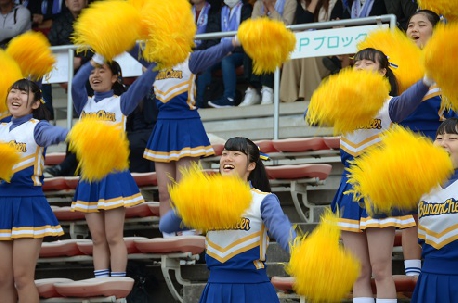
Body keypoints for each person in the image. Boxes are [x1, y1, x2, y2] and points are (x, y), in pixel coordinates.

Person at [330, 48, 434, 303]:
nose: (361, 67)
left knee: (380, 271)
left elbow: (410, 99)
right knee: (359, 272)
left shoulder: (389, 105)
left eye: (368, 63)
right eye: (357, 63)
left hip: (378, 189)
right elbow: (311, 115)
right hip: (349, 189)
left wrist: (427, 79)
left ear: (383, 71)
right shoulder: (342, 100)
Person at [160, 137, 296, 303]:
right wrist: (192, 203)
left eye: (236, 154)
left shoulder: (263, 200)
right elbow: (166, 225)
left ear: (251, 165)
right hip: (216, 290)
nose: (227, 158)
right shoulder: (209, 200)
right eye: (224, 154)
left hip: (253, 289)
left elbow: (283, 232)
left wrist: (303, 253)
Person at [136, 37, 241, 237]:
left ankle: (189, 239)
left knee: (186, 191)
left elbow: (215, 52)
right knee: (165, 191)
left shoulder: (190, 60)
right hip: (163, 127)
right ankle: (168, 238)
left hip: (186, 125)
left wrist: (235, 40)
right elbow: (132, 47)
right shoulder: (152, 63)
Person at [70, 54, 157, 278]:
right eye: (93, 71)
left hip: (113, 174)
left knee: (113, 236)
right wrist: (92, 60)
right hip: (89, 175)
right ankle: (102, 289)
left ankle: (118, 290)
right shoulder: (84, 103)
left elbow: (144, 82)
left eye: (102, 71)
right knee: (97, 238)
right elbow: (75, 83)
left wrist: (155, 63)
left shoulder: (122, 102)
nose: (95, 75)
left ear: (115, 77)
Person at [398, 9, 457, 278]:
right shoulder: (396, 68)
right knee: (411, 211)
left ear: (436, 30)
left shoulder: (447, 66)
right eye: (410, 25)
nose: (414, 29)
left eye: (421, 24)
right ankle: (413, 273)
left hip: (440, 147)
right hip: (406, 147)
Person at [0, 79, 67, 303]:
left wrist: (73, 134)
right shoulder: (0, 127)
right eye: (13, 92)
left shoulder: (38, 128)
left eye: (23, 93)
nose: (16, 96)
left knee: (22, 278)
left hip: (27, 204)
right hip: (1, 204)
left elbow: (53, 135)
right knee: (2, 279)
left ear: (36, 103)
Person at [411, 118, 458, 303]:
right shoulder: (422, 185)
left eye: (452, 138)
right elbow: (380, 211)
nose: (443, 143)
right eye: (439, 138)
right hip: (430, 279)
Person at [279, 0, 340, 103]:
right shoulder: (301, 4)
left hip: (328, 54)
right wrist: (314, 2)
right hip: (308, 50)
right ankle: (289, 98)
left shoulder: (335, 3)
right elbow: (303, 24)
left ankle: (310, 97)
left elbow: (333, 29)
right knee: (293, 54)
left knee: (309, 53)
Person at [239, 0, 297, 106]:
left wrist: (271, 9)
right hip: (261, 42)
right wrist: (265, 16)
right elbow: (253, 28)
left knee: (268, 44)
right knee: (251, 43)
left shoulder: (290, 2)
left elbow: (286, 26)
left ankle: (267, 88)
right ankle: (253, 90)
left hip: (283, 44)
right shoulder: (259, 4)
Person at [198, 0, 251, 108]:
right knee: (204, 62)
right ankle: (200, 102)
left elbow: (248, 37)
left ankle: (229, 98)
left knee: (227, 60)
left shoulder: (246, 9)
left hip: (240, 52)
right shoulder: (219, 12)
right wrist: (214, 52)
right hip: (221, 51)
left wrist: (231, 50)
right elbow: (213, 37)